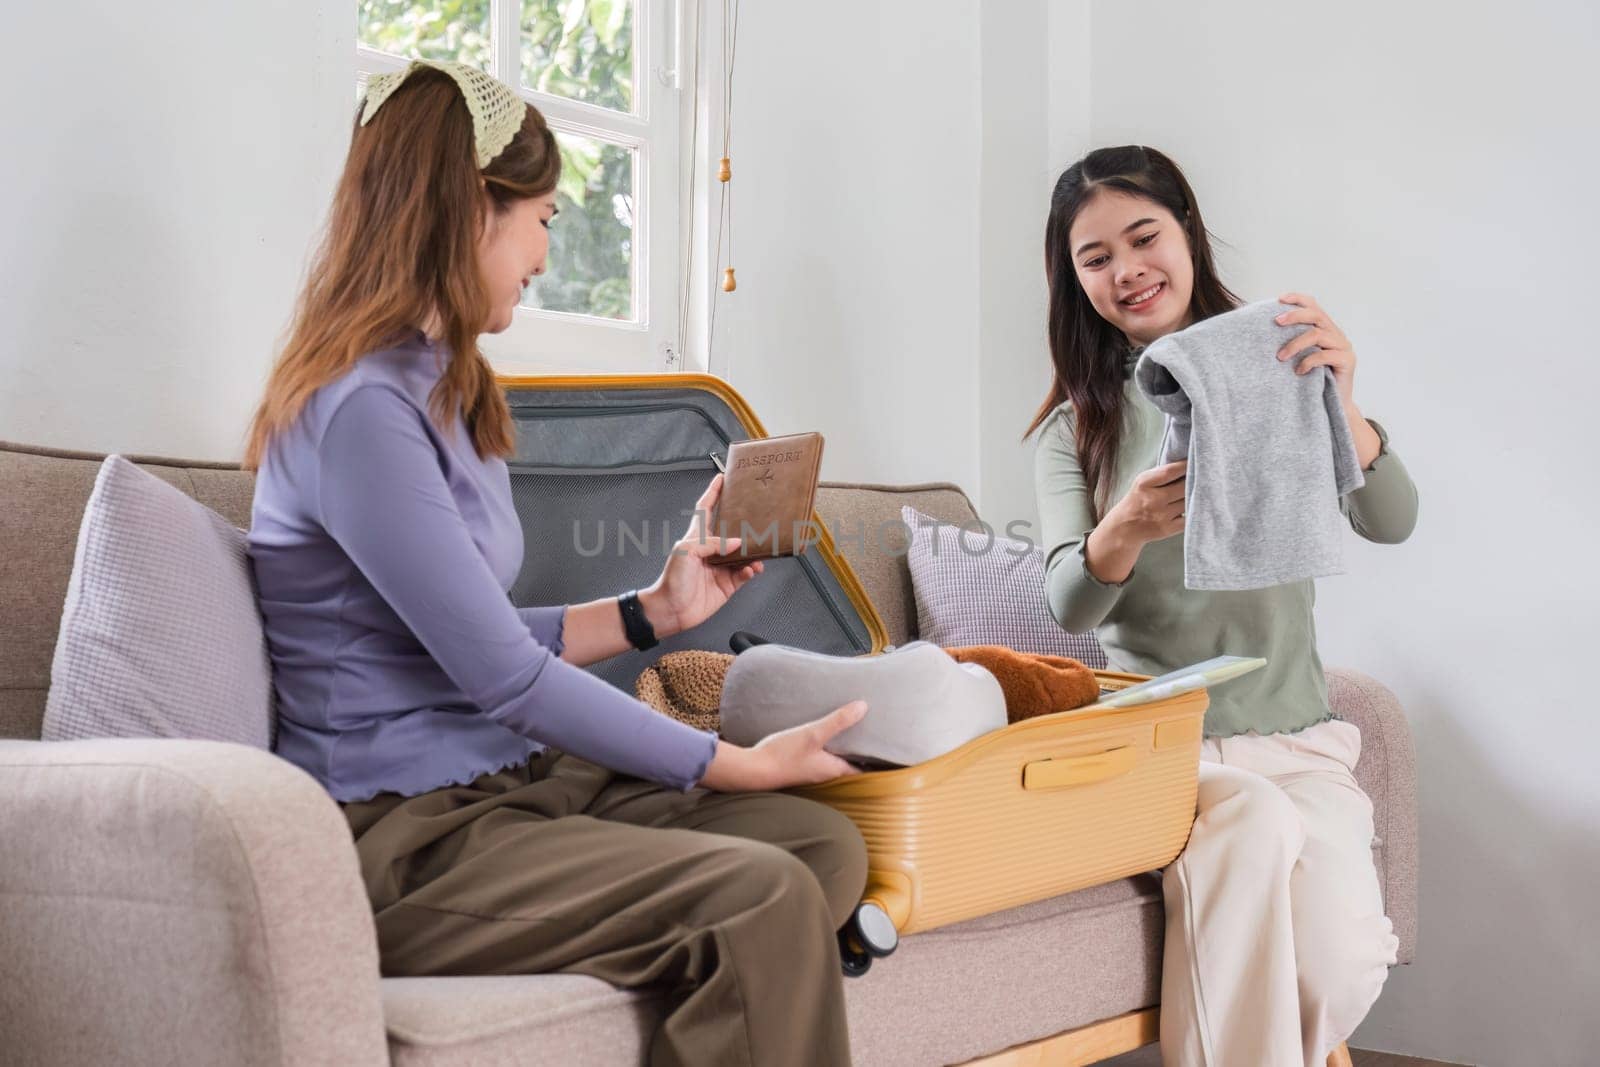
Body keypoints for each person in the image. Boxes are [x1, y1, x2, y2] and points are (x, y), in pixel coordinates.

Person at [242, 59, 869, 1067]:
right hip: (403, 841)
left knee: (821, 843)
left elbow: (470, 644)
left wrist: (651, 613)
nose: (546, 245)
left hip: (506, 785)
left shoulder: (445, 389)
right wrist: (729, 760)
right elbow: (501, 675)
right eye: (538, 214)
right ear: (465, 214)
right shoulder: (360, 411)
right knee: (759, 891)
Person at [1028, 145, 1419, 1067]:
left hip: (1296, 737)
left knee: (1347, 962)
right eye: (1094, 257)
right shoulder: (1075, 425)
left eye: (1143, 236)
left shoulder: (1277, 370)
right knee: (1254, 826)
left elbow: (1392, 520)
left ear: (1188, 234)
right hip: (1161, 746)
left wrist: (1344, 398)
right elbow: (1067, 608)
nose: (1126, 269)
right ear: (1072, 280)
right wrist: (1120, 530)